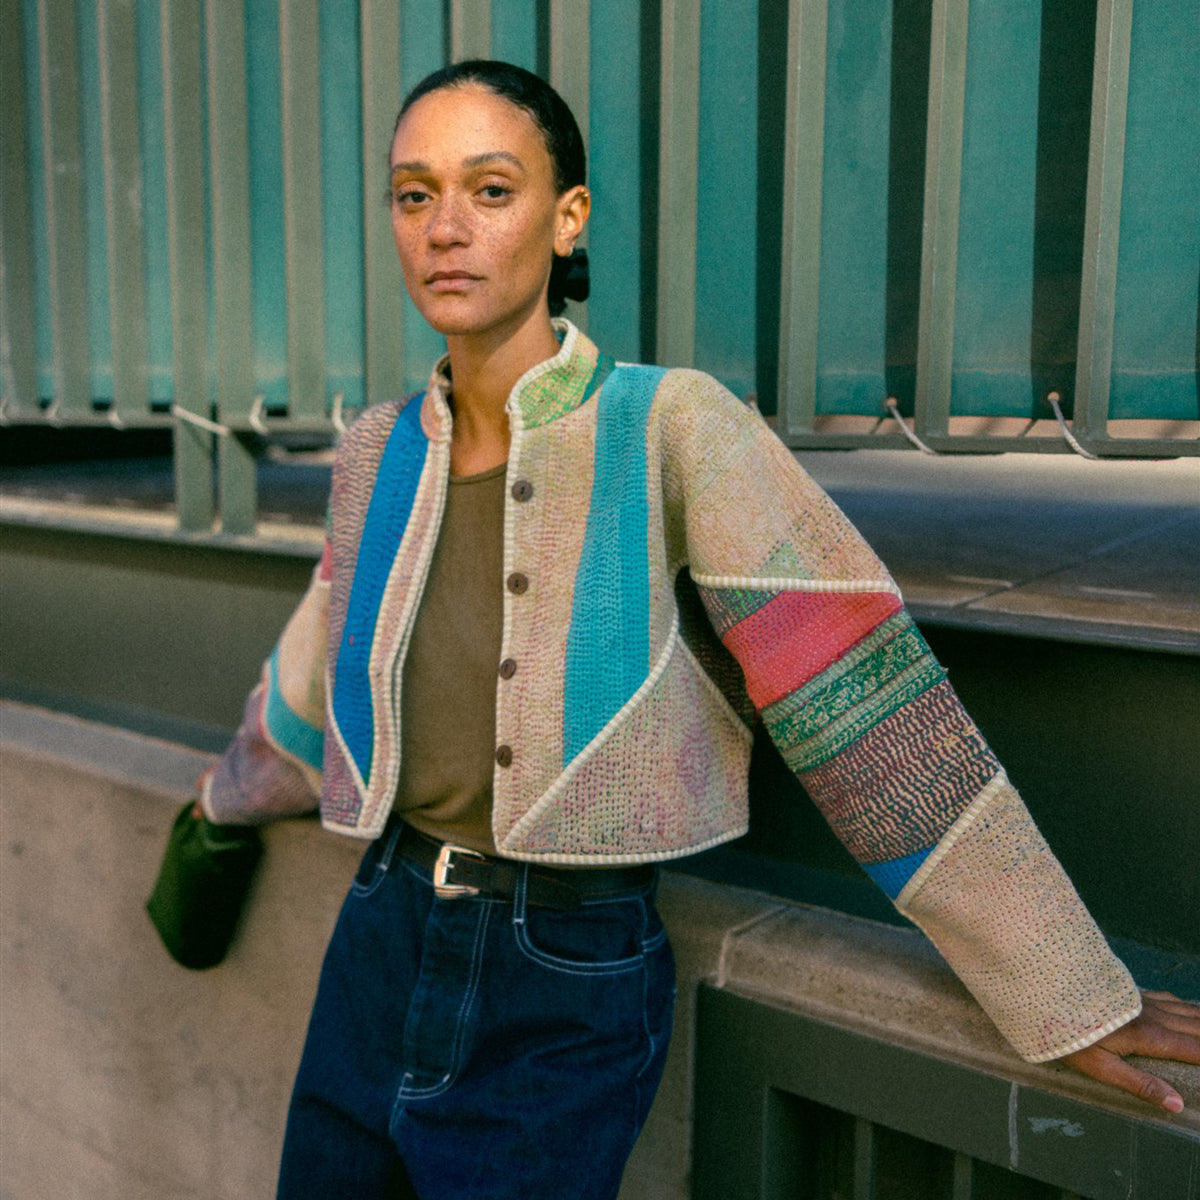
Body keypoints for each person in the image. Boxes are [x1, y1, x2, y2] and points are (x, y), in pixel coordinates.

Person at [197, 60, 1200, 1200]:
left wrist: (1062, 988)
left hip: (564, 968)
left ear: (567, 216)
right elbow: (316, 671)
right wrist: (217, 805)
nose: (445, 229)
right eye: (414, 194)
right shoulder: (377, 450)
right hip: (376, 933)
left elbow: (859, 700)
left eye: (492, 189)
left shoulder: (672, 426)